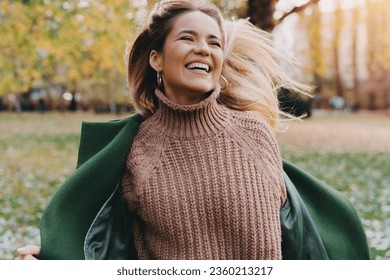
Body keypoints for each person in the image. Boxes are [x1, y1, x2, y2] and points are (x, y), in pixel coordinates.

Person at [16, 0, 370, 260]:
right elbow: (103, 246)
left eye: (214, 42)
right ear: (156, 58)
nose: (203, 48)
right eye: (187, 38)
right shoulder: (134, 151)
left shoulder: (254, 134)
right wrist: (48, 263)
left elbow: (298, 234)